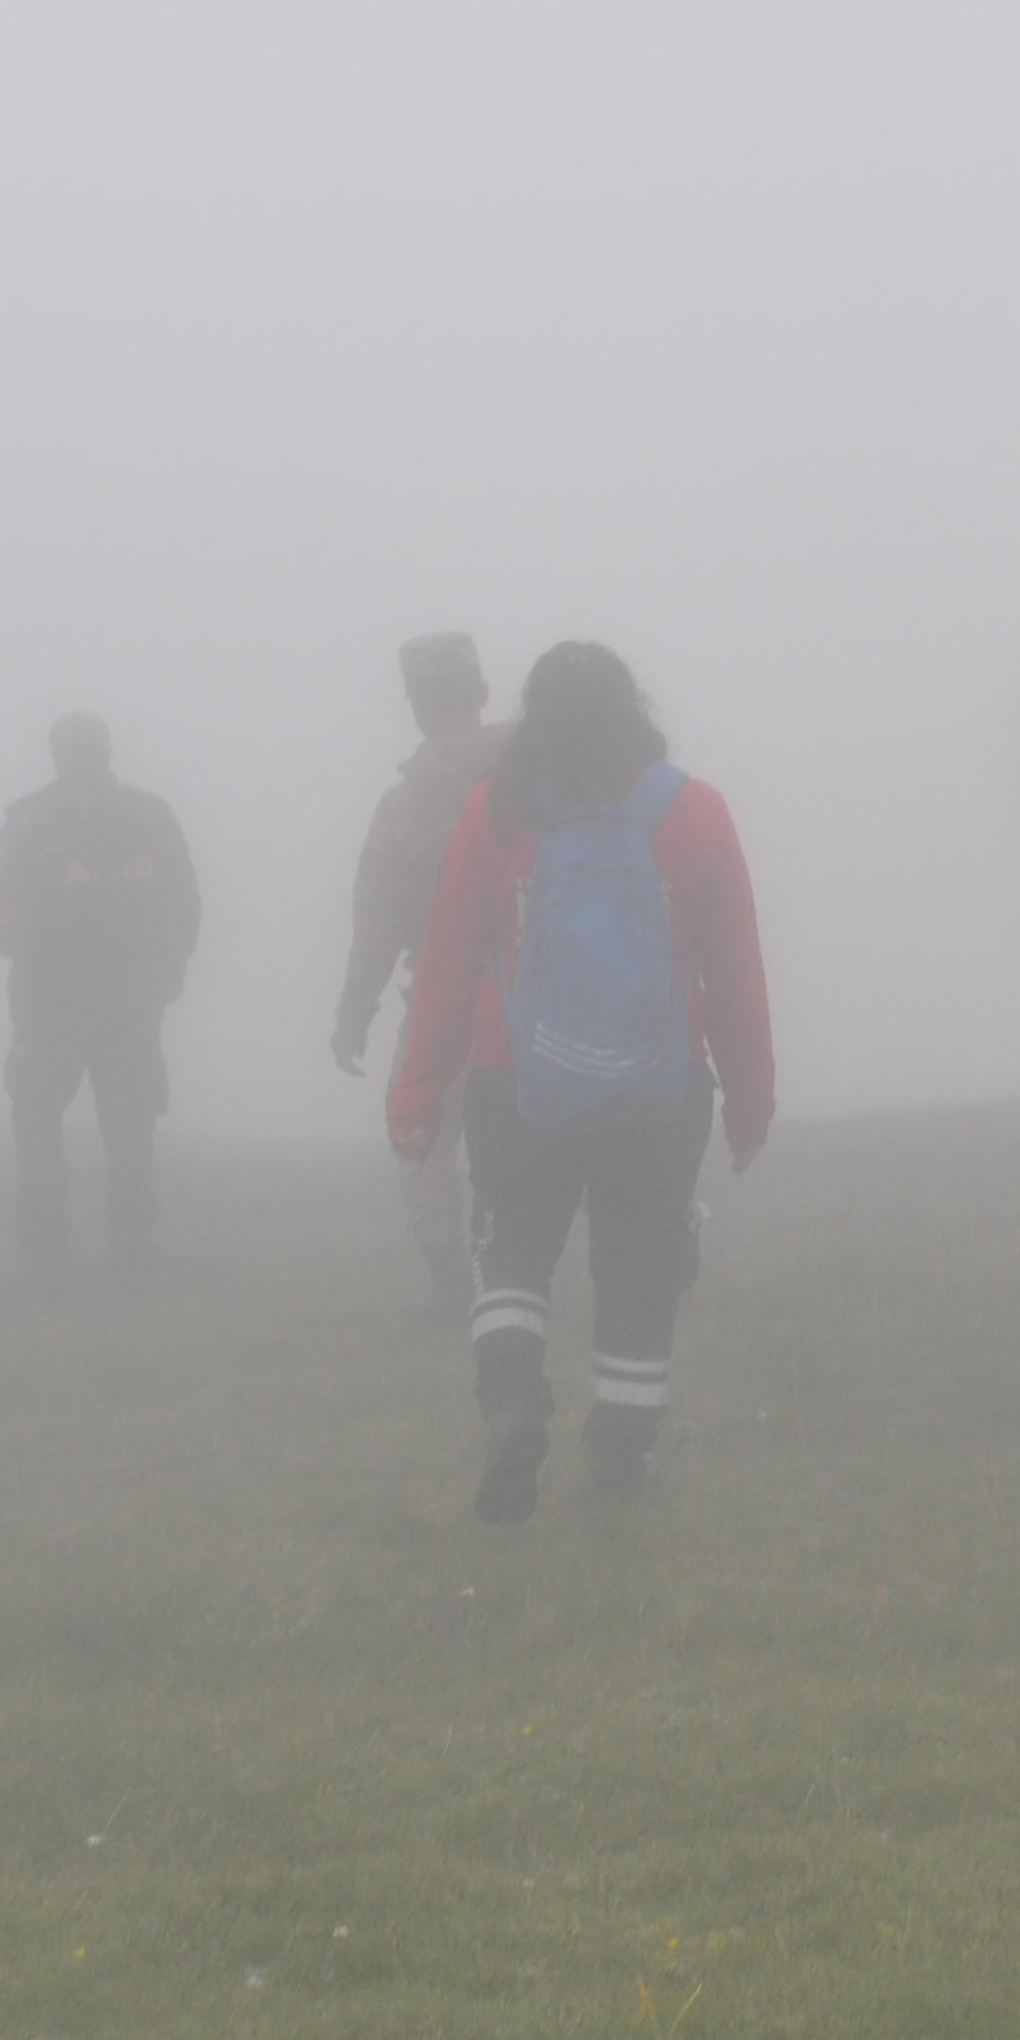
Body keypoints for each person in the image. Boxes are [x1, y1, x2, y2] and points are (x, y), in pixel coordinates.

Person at [388, 642, 774, 1524]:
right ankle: (622, 1450)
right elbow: (735, 973)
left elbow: (447, 963)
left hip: (515, 1081)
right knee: (639, 1267)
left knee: (512, 1251)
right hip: (658, 1088)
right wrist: (752, 1102)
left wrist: (414, 1095)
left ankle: (515, 1401)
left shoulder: (497, 811)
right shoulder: (692, 811)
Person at [0, 713, 200, 1295]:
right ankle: (134, 1252)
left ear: (55, 754)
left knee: (38, 1126)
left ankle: (49, 1258)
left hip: (48, 1004)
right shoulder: (152, 816)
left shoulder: (27, 821)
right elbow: (186, 905)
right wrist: (161, 975)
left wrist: (36, 954)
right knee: (129, 1128)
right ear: (107, 749)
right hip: (131, 1002)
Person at [334, 633, 514, 1318]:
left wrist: (354, 1014)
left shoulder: (404, 806)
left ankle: (451, 1283)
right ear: (482, 692)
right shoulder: (544, 771)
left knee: (424, 1141)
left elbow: (377, 921)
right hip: (554, 993)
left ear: (414, 707)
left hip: (447, 1000)